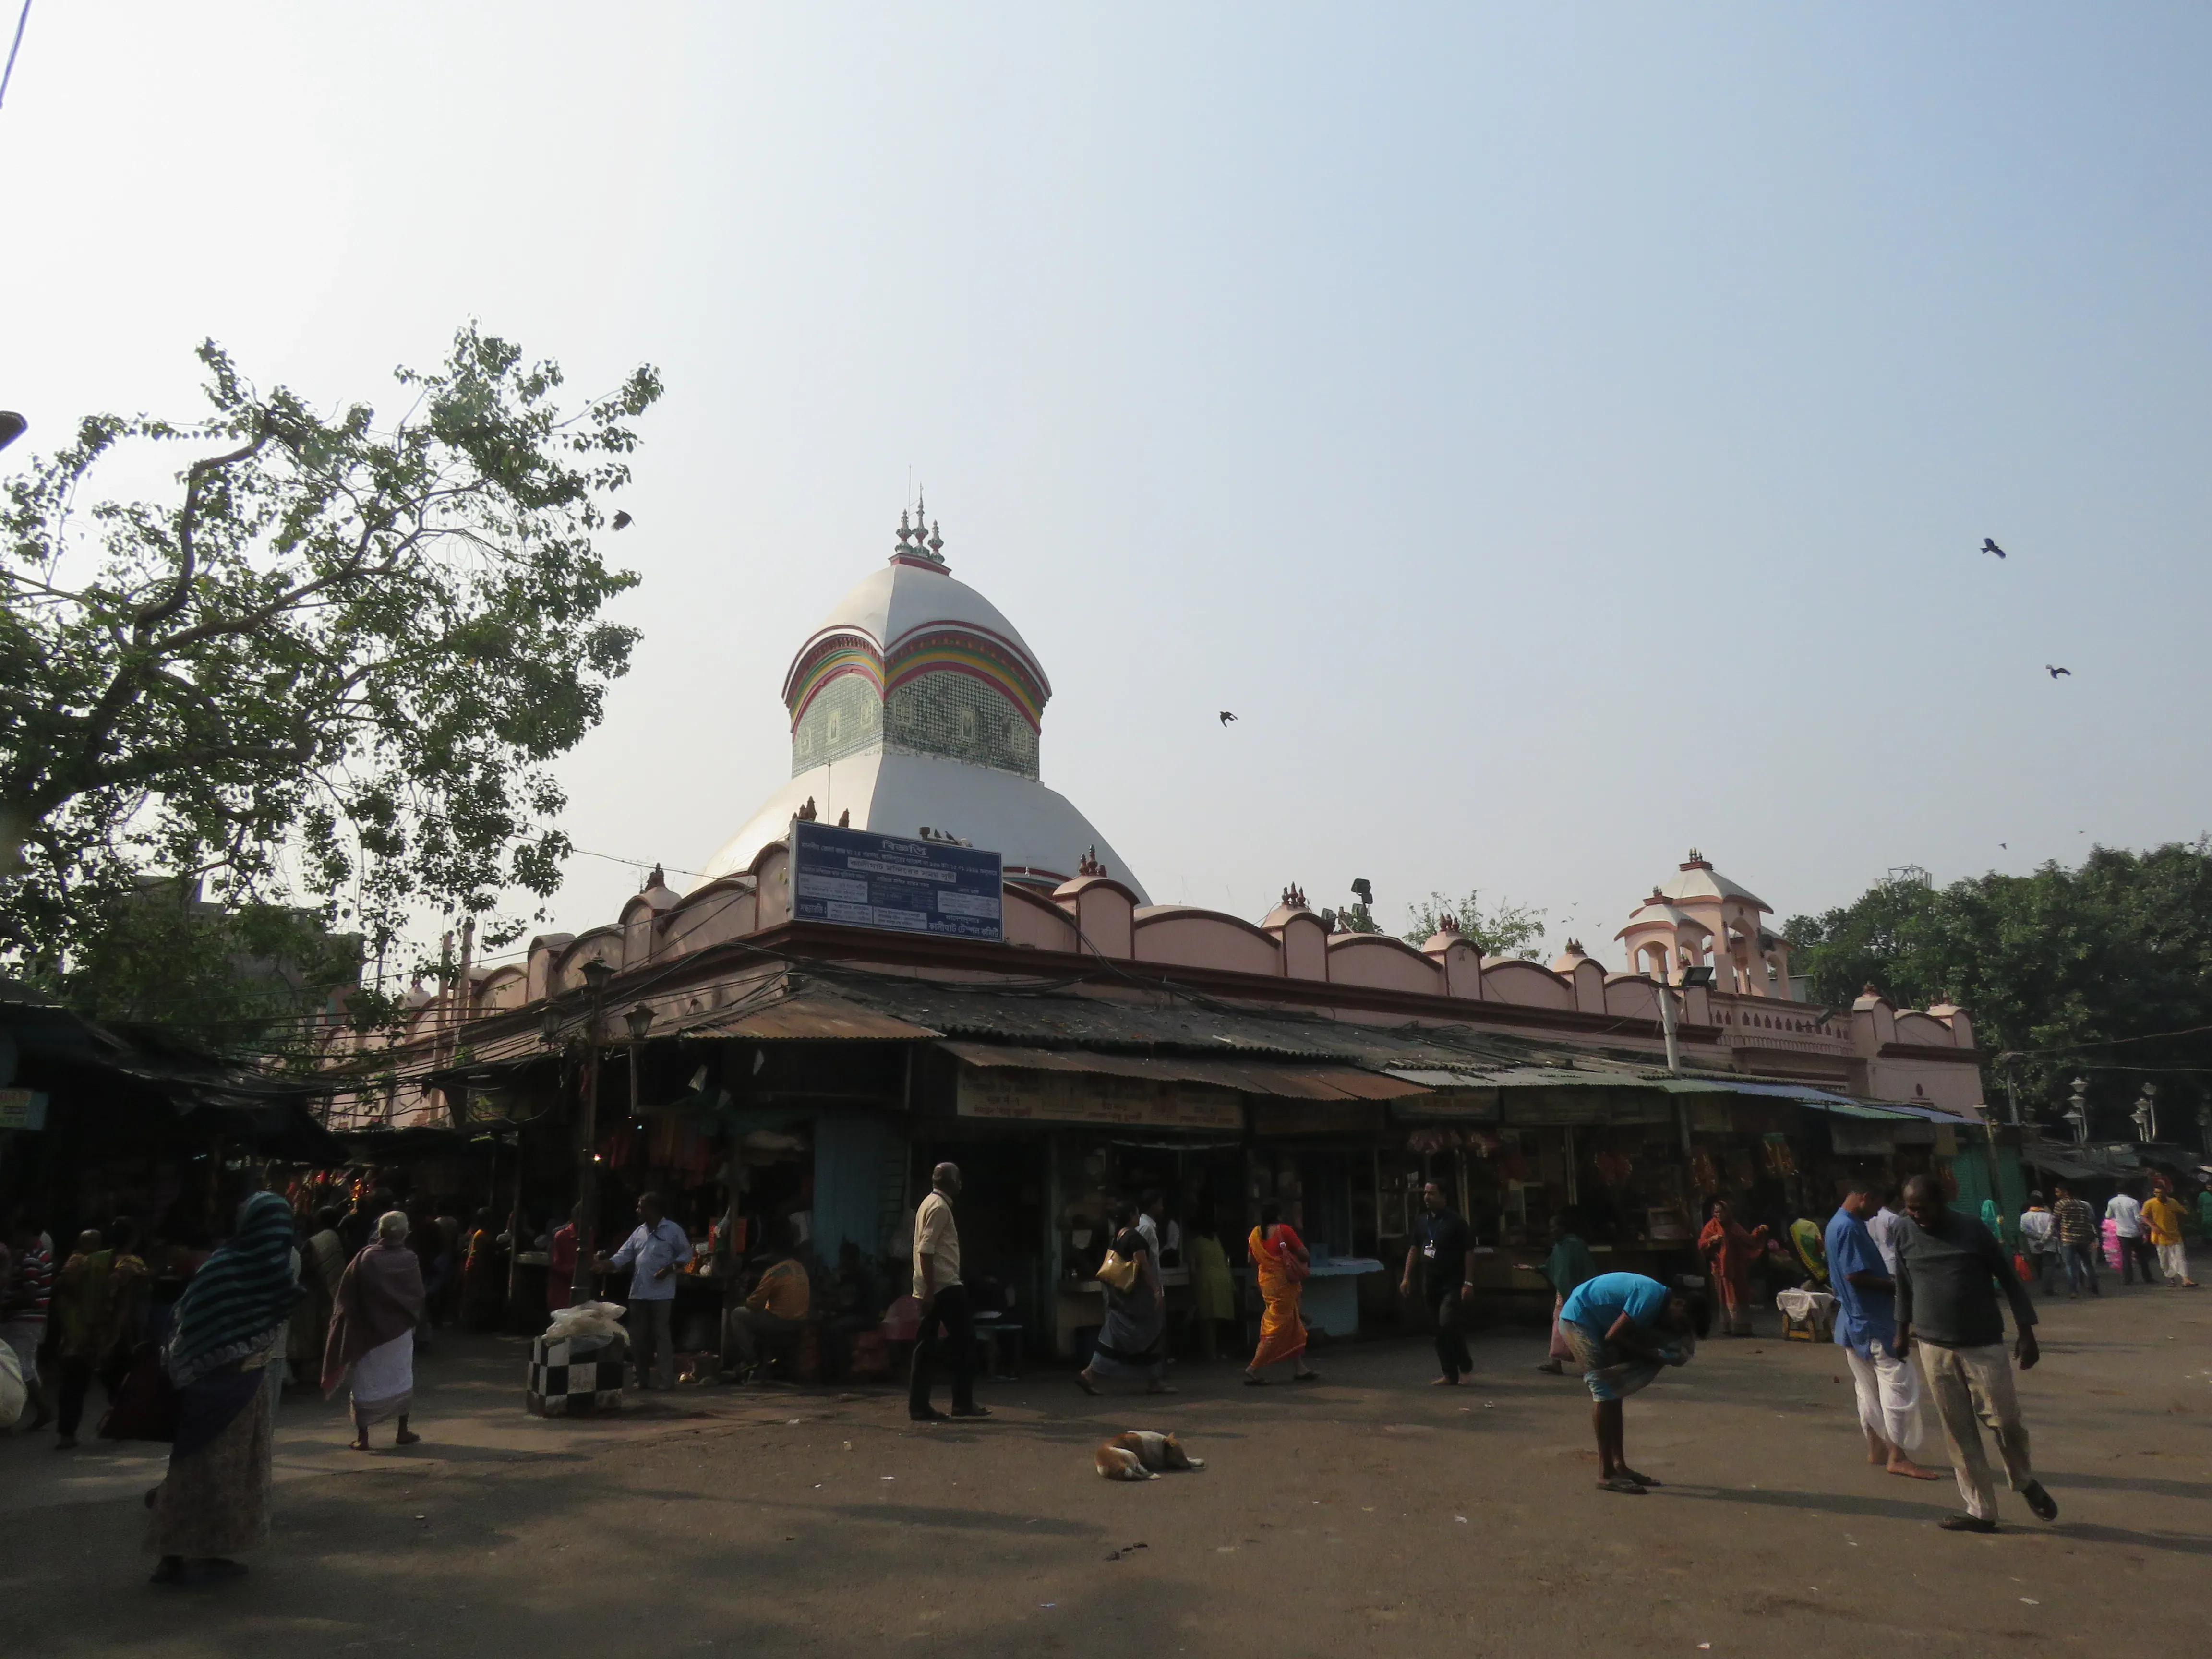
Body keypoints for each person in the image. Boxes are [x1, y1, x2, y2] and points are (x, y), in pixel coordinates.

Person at [148, 1191, 304, 1587]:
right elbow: (191, 1327)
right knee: (206, 1473)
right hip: (226, 1387)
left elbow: (184, 1323)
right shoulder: (260, 1274)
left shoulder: (237, 1269)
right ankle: (176, 1557)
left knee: (214, 1475)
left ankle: (202, 1552)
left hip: (234, 1388)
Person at [1894, 1173, 2056, 1533]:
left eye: (1922, 1208)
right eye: (1910, 1208)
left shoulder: (1972, 1230)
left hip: (1983, 1345)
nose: (1916, 1215)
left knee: (2007, 1422)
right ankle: (1981, 1510)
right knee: (1958, 1430)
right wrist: (1901, 1331)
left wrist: (2027, 1332)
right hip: (1934, 1347)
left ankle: (2024, 1479)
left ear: (1941, 1202)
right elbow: (1904, 1284)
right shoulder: (1903, 1231)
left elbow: (2010, 1279)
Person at [1823, 1184, 1936, 1480]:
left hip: (1853, 1323)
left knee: (1868, 1390)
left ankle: (1877, 1449)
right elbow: (1854, 1275)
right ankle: (1897, 1456)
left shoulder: (1838, 1224)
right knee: (1899, 1386)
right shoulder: (1848, 1228)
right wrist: (1898, 1286)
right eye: (1876, 1206)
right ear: (1865, 1196)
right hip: (1871, 1322)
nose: (1877, 1214)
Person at [1556, 1270, 1699, 1495]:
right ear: (1678, 1304)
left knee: (1615, 1392)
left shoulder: (1658, 1300)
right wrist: (1651, 1356)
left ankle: (1619, 1466)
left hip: (1595, 1320)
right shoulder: (1650, 1299)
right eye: (1680, 1322)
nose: (1675, 1327)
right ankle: (1605, 1473)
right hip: (1579, 1321)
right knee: (1603, 1390)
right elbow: (1614, 1336)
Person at [323, 1211, 427, 1450]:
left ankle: (364, 1437)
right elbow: (417, 1295)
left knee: (367, 1380)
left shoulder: (367, 1258)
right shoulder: (409, 1258)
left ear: (379, 1232)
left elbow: (349, 1294)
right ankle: (402, 1431)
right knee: (401, 1376)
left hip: (370, 1332)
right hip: (400, 1332)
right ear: (405, 1233)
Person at [53, 1222, 150, 1449]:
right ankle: (121, 1426)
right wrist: (115, 1335)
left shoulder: (83, 1261)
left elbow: (62, 1285)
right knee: (120, 1382)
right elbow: (125, 1304)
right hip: (110, 1333)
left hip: (79, 1331)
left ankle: (67, 1435)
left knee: (74, 1384)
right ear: (134, 1239)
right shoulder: (130, 1264)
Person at [909, 1162, 987, 1421]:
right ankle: (962, 1403)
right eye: (958, 1179)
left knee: (926, 1346)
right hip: (944, 1286)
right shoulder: (940, 1208)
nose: (961, 1184)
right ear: (950, 1182)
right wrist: (932, 1291)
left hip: (930, 1285)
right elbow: (926, 1249)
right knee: (965, 1342)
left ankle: (919, 1406)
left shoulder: (927, 1203)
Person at [597, 1192, 694, 1391]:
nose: (638, 1211)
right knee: (638, 1337)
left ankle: (666, 1380)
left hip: (662, 1293)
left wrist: (669, 1269)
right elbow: (624, 1255)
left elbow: (687, 1253)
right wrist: (607, 1264)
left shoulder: (672, 1230)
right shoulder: (639, 1232)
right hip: (639, 1291)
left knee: (661, 1336)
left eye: (641, 1207)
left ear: (653, 1209)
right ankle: (642, 1378)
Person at [1078, 1199, 1174, 1395]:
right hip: (1139, 1300)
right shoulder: (1134, 1238)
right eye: (1137, 1214)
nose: (1139, 1217)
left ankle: (1092, 1374)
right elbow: (1144, 1266)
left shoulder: (1118, 1236)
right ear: (1131, 1216)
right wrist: (1156, 1291)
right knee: (1152, 1334)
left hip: (1124, 1298)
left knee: (1120, 1337)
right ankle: (1092, 1373)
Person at [1401, 1179, 1475, 1385]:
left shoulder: (1456, 1222)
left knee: (1448, 1324)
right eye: (1425, 1193)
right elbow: (1415, 1248)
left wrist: (1468, 1282)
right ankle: (1449, 1373)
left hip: (1452, 1282)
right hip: (1431, 1283)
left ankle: (1465, 1368)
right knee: (1437, 1331)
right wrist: (1407, 1276)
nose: (1427, 1197)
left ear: (1443, 1197)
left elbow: (1469, 1252)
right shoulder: (1422, 1221)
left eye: (1432, 1193)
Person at [1243, 1203, 1320, 1384]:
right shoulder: (1284, 1231)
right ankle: (1253, 1368)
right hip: (1283, 1284)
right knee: (1277, 1328)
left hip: (1267, 1284)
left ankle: (1300, 1368)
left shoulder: (1254, 1234)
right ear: (1279, 1216)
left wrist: (1269, 1262)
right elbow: (1305, 1254)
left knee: (1291, 1323)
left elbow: (1251, 1261)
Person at [1519, 1212, 1599, 1375]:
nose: (1552, 1231)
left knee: (1578, 1327)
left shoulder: (1575, 1245)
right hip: (1562, 1294)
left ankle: (1589, 1363)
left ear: (1564, 1228)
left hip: (1577, 1292)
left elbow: (1584, 1269)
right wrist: (1534, 1269)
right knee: (1558, 1324)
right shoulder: (1559, 1247)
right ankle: (1556, 1362)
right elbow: (1554, 1267)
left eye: (1555, 1227)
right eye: (1550, 1228)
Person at [725, 1230, 812, 1381]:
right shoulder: (800, 1268)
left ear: (772, 1252)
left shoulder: (775, 1272)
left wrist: (746, 1300)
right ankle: (763, 1359)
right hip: (800, 1322)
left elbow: (754, 1303)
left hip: (781, 1323)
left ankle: (752, 1362)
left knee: (737, 1314)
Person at [0, 1213, 54, 1432]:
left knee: (18, 1366)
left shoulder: (31, 1258)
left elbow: (30, 1294)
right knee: (23, 1364)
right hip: (30, 1319)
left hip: (24, 1319)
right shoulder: (38, 1254)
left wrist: (6, 1307)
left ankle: (32, 1411)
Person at [1697, 1199, 1770, 1337]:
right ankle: (1728, 1326)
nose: (1718, 1215)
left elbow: (1750, 1240)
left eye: (1720, 1211)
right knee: (1725, 1296)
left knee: (1740, 1295)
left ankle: (1742, 1327)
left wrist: (1759, 1231)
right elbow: (1702, 1244)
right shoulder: (1711, 1227)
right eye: (1715, 1212)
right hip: (1720, 1268)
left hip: (1738, 1267)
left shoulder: (1734, 1226)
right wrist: (1712, 1240)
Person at [1186, 1215, 1237, 1362]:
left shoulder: (1195, 1243)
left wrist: (1192, 1287)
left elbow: (1193, 1267)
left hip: (1206, 1282)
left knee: (1208, 1322)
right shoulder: (1216, 1241)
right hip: (1224, 1280)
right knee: (1222, 1320)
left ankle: (1211, 1354)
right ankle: (1221, 1353)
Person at [2140, 1186, 2196, 1288]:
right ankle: (2172, 1279)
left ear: (2166, 1193)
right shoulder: (2150, 1203)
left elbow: (2184, 1212)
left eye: (2161, 1193)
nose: (2159, 1195)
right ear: (2154, 1193)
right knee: (2165, 1260)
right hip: (2160, 1237)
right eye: (2157, 1193)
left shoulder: (2173, 1202)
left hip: (2175, 1235)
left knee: (2180, 1258)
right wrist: (2152, 1226)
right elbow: (2143, 1217)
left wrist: (2182, 1225)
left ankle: (2186, 1279)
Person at [2050, 1184, 2100, 1297]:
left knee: (2070, 1265)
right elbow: (2088, 1221)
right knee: (2088, 1264)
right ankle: (2095, 1287)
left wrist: (2057, 1234)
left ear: (2065, 1192)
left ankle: (2073, 1291)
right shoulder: (2082, 1204)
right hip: (2083, 1238)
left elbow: (2054, 1222)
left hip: (2068, 1239)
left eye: (2058, 1192)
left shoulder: (2060, 1204)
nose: (2056, 1194)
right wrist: (2091, 1237)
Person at [2105, 1184, 2158, 1286]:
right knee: (2142, 1257)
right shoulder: (2133, 1202)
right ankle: (2147, 1277)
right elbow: (2138, 1219)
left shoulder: (2112, 1202)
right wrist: (2143, 1232)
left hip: (2122, 1233)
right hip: (2135, 1232)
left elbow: (2108, 1216)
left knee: (2126, 1257)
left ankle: (2128, 1279)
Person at [2016, 1193, 2055, 1295]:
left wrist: (2037, 1238)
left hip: (2033, 1246)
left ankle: (2042, 1284)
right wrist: (2042, 1240)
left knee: (2039, 1266)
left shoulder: (2024, 1217)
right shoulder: (2049, 1216)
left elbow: (2024, 1230)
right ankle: (2048, 1289)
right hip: (2048, 1245)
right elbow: (2050, 1231)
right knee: (2048, 1267)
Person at [1865, 1189, 1909, 1275]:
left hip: (1880, 1262)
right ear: (1895, 1200)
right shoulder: (1893, 1218)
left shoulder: (1870, 1217)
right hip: (1894, 1263)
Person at [547, 1202, 581, 1312]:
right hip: (561, 1291)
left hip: (581, 1291)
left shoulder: (589, 1235)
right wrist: (579, 1269)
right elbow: (557, 1266)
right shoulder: (561, 1236)